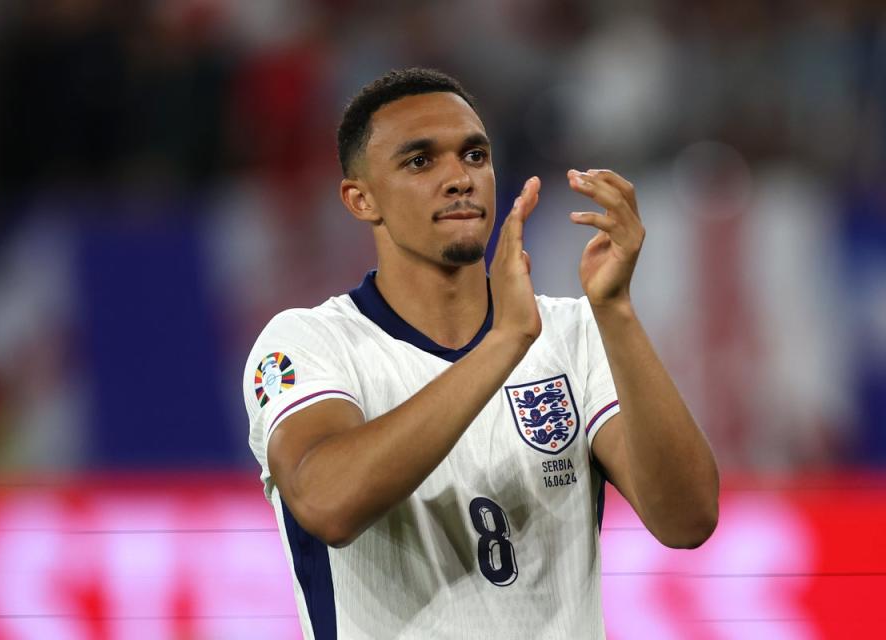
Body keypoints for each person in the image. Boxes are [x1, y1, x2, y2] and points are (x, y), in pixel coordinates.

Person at [243, 68, 719, 639]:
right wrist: (503, 344)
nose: (458, 178)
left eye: (473, 156)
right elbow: (328, 503)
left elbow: (687, 519)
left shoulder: (573, 334)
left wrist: (614, 309)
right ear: (361, 199)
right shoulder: (308, 343)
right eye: (420, 161)